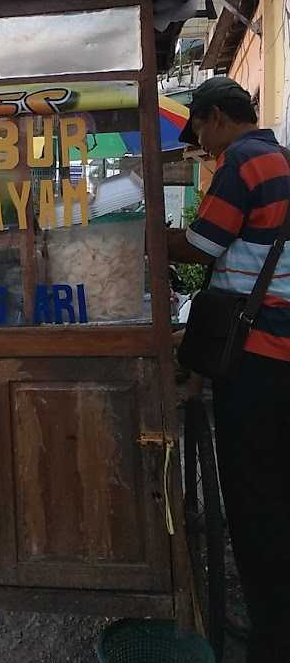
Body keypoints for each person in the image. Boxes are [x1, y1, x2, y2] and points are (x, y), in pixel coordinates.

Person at [167, 77, 290, 663]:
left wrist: (145, 239)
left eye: (202, 132)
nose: (206, 147)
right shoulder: (282, 160)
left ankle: (271, 636)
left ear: (216, 117)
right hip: (282, 349)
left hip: (260, 357)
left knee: (254, 499)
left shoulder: (243, 160)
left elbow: (202, 246)